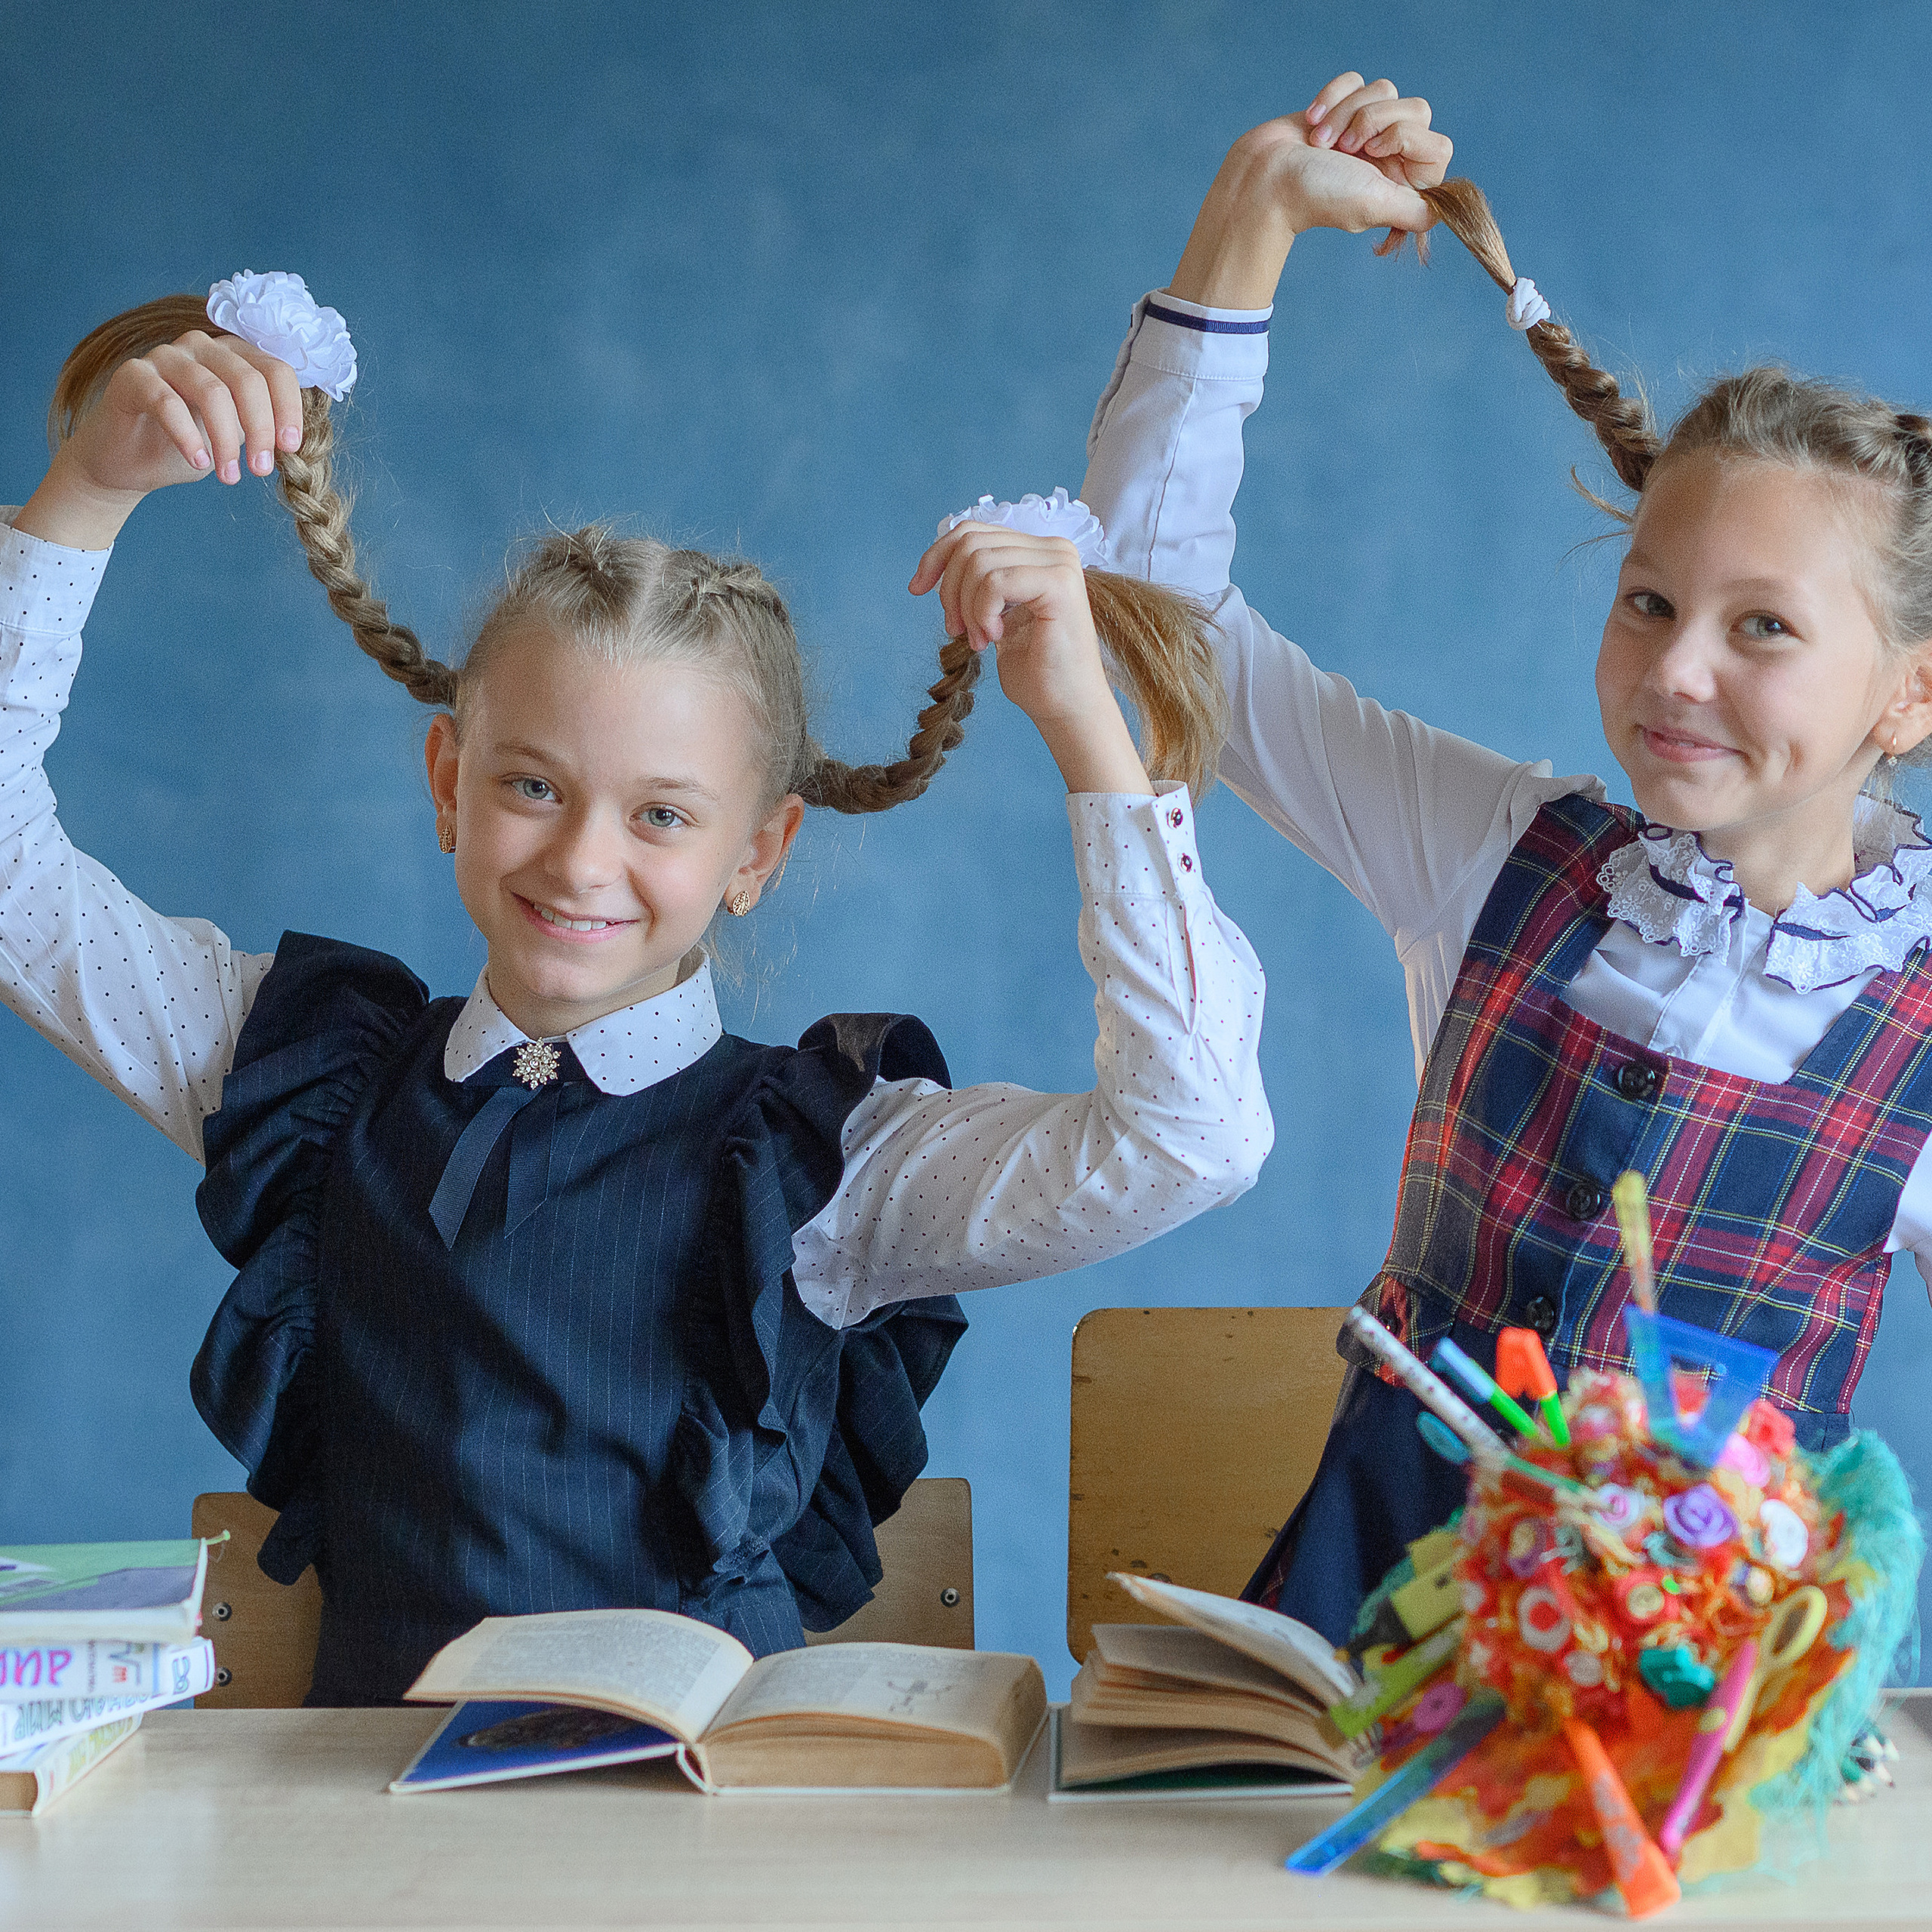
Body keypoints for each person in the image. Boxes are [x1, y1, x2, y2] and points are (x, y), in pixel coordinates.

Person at [2, 276, 1269, 1701]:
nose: (582, 859)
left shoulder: (829, 1164)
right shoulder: (303, 1080)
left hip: (701, 1857)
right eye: (531, 785)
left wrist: (1088, 727)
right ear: (446, 784)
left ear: (759, 853)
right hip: (369, 1851)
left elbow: (1191, 1135)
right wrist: (85, 495)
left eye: (662, 815)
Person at [1081, 72, 1932, 1644]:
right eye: (1646, 601)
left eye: (1760, 626)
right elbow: (1146, 606)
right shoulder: (1501, 855)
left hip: (1691, 1735)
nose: (1675, 672)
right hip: (1368, 1656)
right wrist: (1249, 215)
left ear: (1910, 688)